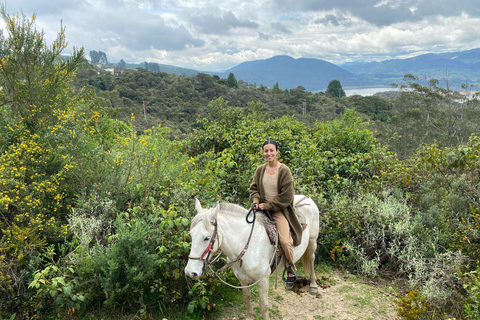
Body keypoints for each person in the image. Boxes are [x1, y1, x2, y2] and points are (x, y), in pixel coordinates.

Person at [249, 139, 303, 283]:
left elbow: (286, 197)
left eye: (272, 150)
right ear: (263, 153)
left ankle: (290, 267)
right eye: (266, 151)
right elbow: (254, 189)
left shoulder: (284, 170)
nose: (269, 153)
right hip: (260, 208)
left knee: (285, 241)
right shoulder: (260, 170)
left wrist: (266, 206)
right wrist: (255, 202)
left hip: (279, 210)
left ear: (277, 151)